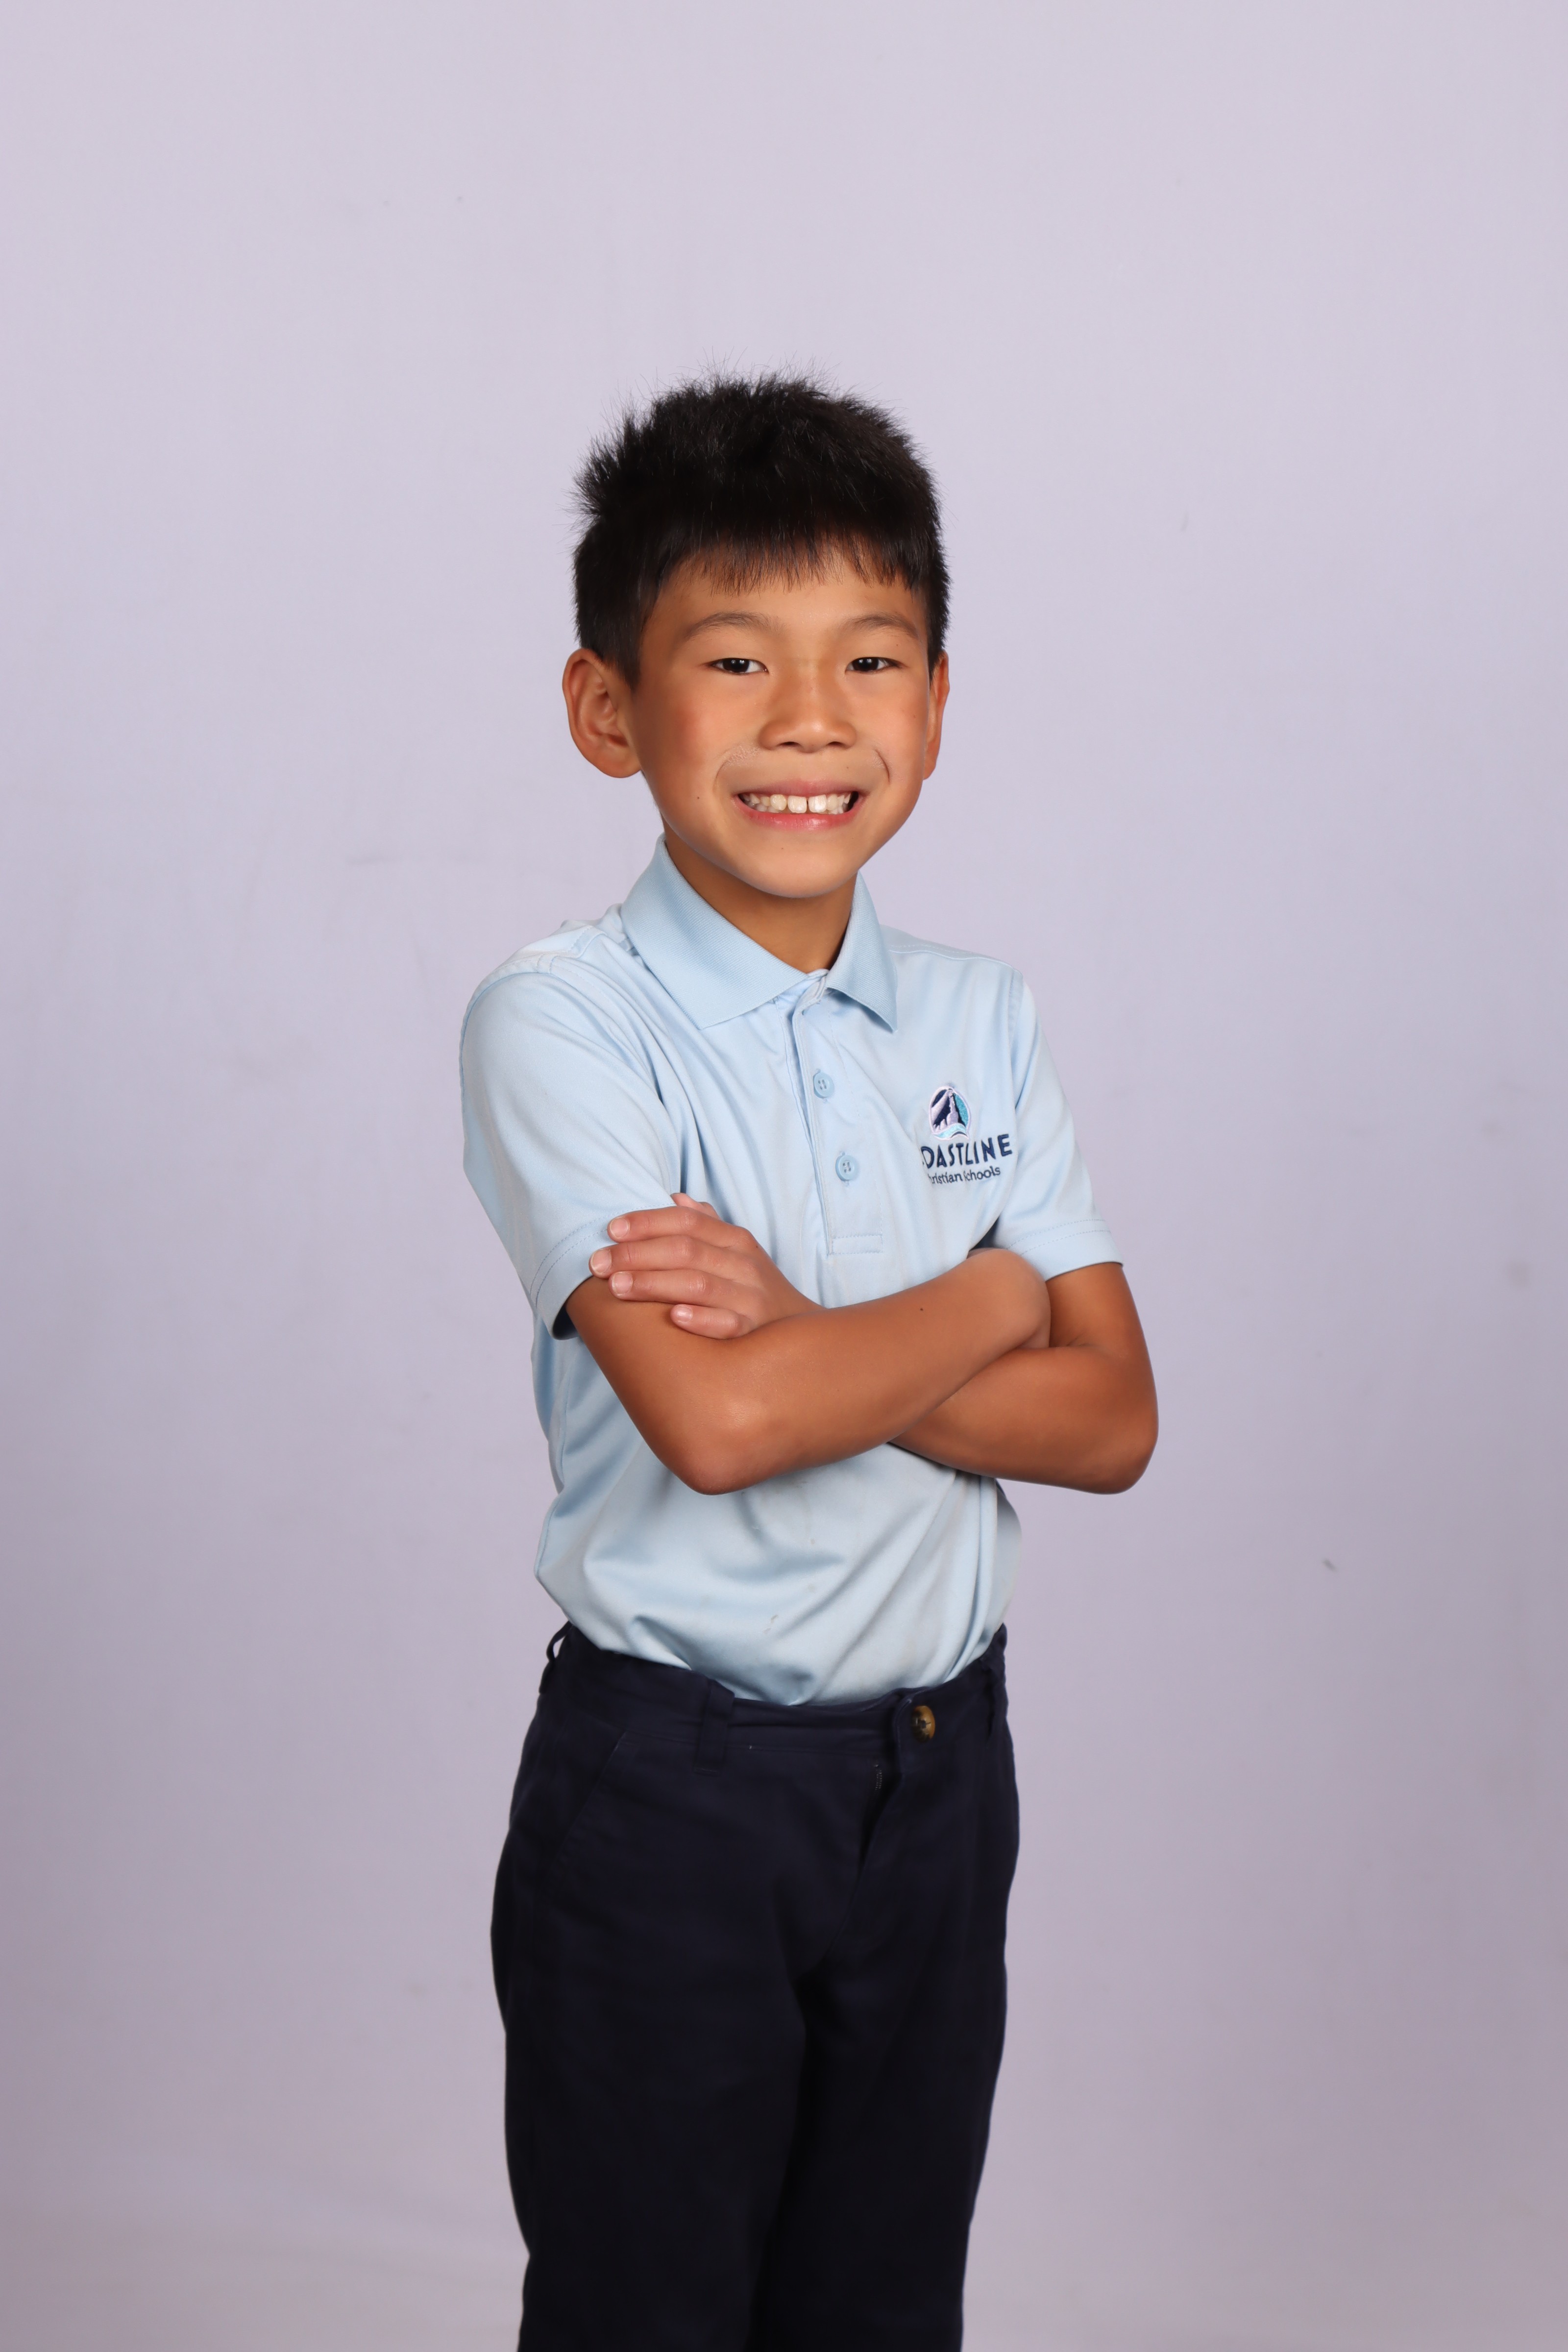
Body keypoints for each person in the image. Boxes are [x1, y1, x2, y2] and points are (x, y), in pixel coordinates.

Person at [460, 373, 1157, 2352]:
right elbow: (721, 1420)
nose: (807, 719)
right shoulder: (565, 1024)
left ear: (933, 699)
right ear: (609, 708)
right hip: (677, 1792)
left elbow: (1114, 1420)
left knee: (879, 2308)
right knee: (652, 2312)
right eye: (733, 659)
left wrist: (804, 1322)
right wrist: (993, 1297)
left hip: (939, 1776)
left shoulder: (977, 1015)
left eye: (868, 657)